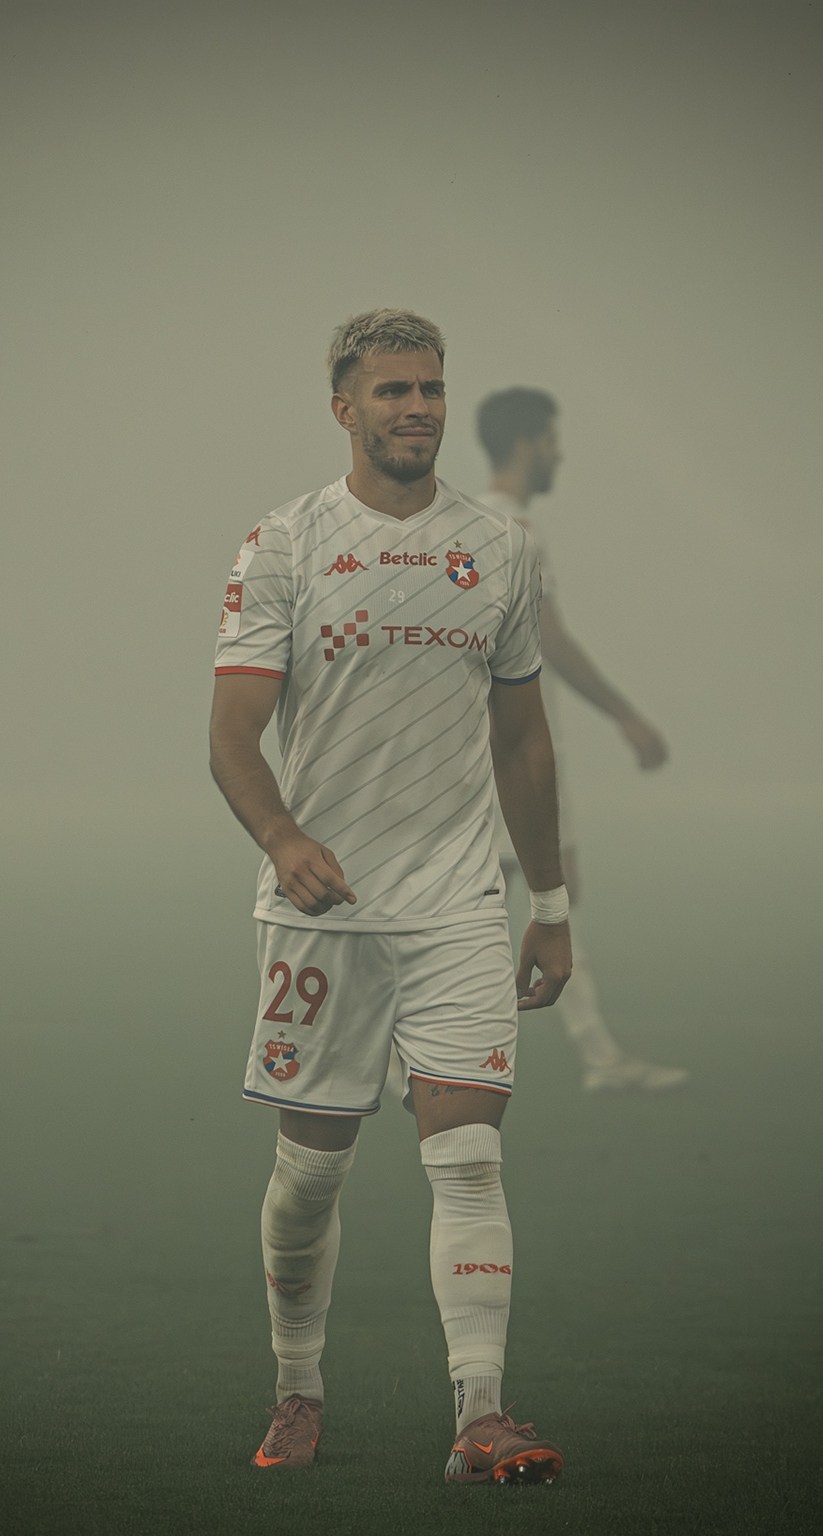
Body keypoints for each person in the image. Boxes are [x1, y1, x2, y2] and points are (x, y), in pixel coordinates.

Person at [210, 309, 570, 1486]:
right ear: (344, 408)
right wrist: (282, 837)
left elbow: (524, 742)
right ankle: (296, 1387)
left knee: (467, 1159)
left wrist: (551, 904)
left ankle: (482, 1416)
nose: (417, 408)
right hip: (322, 913)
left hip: (457, 905)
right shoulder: (284, 542)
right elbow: (231, 734)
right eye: (393, 390)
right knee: (310, 1175)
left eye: (431, 389)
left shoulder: (499, 546)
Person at [469, 386, 686, 1092]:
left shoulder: (471, 525)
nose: (560, 455)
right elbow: (551, 640)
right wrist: (626, 714)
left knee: (519, 897)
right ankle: (596, 1059)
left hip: (489, 746)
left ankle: (596, 1056)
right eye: (552, 441)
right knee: (545, 893)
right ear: (527, 443)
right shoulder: (514, 531)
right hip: (518, 746)